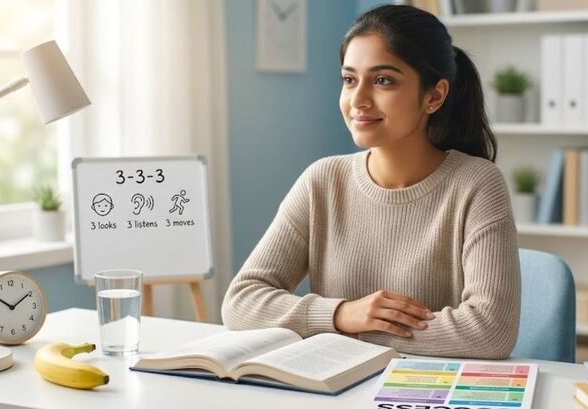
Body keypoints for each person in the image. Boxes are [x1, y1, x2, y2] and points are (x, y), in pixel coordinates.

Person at [221, 4, 520, 359]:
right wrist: (343, 315)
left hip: (425, 390)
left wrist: (353, 331)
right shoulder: (323, 180)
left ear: (434, 96)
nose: (358, 100)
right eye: (349, 80)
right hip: (335, 386)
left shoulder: (476, 184)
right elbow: (241, 302)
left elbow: (490, 331)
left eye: (383, 80)